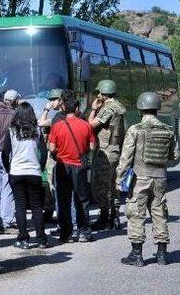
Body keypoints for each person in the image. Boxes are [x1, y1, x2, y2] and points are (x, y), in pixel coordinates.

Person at [116, 92, 178, 267]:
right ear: (157, 108)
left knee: (136, 213)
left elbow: (126, 158)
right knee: (159, 213)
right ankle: (162, 255)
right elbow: (174, 155)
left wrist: (119, 178)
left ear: (140, 108)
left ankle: (137, 255)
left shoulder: (135, 130)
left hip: (139, 178)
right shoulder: (167, 131)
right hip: (160, 178)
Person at [48, 96, 96, 243]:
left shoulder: (57, 126)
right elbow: (92, 147)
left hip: (62, 166)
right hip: (79, 167)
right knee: (82, 200)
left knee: (63, 200)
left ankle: (66, 234)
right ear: (76, 109)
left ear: (63, 108)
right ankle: (83, 232)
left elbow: (52, 148)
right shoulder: (86, 125)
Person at [2, 102, 48, 249]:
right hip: (34, 171)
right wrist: (40, 167)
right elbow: (44, 152)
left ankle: (23, 238)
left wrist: (9, 168)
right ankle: (41, 239)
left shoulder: (12, 131)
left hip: (17, 171)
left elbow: (5, 152)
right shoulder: (37, 131)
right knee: (36, 207)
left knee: (20, 207)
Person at [88, 80, 127, 231]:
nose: (97, 95)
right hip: (116, 150)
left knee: (101, 185)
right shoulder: (121, 107)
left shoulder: (108, 108)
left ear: (104, 94)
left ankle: (104, 217)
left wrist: (93, 110)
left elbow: (90, 125)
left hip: (106, 150)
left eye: (99, 93)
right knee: (113, 184)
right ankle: (115, 217)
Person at [0, 89, 19, 233]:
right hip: (7, 154)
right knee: (7, 188)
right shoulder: (14, 115)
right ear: (14, 101)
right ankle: (6, 222)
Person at [38, 88, 64, 223]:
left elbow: (41, 122)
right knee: (50, 183)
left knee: (53, 184)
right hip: (55, 153)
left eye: (54, 100)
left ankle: (54, 211)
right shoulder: (60, 115)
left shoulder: (58, 117)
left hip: (55, 154)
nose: (51, 102)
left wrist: (46, 109)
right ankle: (50, 210)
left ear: (60, 100)